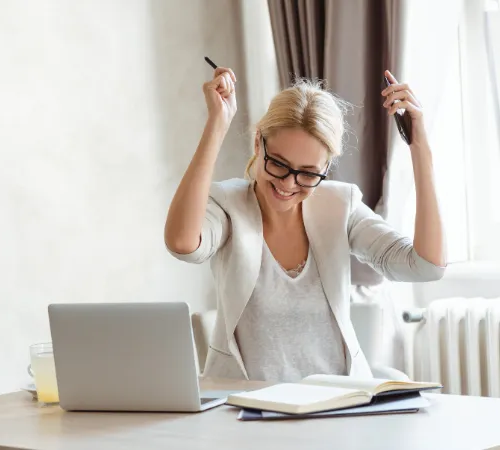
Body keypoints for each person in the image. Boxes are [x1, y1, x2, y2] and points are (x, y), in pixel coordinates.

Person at [164, 65, 446, 381]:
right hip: (246, 403)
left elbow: (426, 266)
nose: (288, 183)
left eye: (308, 173)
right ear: (258, 143)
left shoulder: (340, 206)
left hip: (337, 401)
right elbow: (182, 244)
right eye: (278, 163)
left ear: (326, 167)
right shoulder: (228, 205)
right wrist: (217, 125)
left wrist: (420, 149)